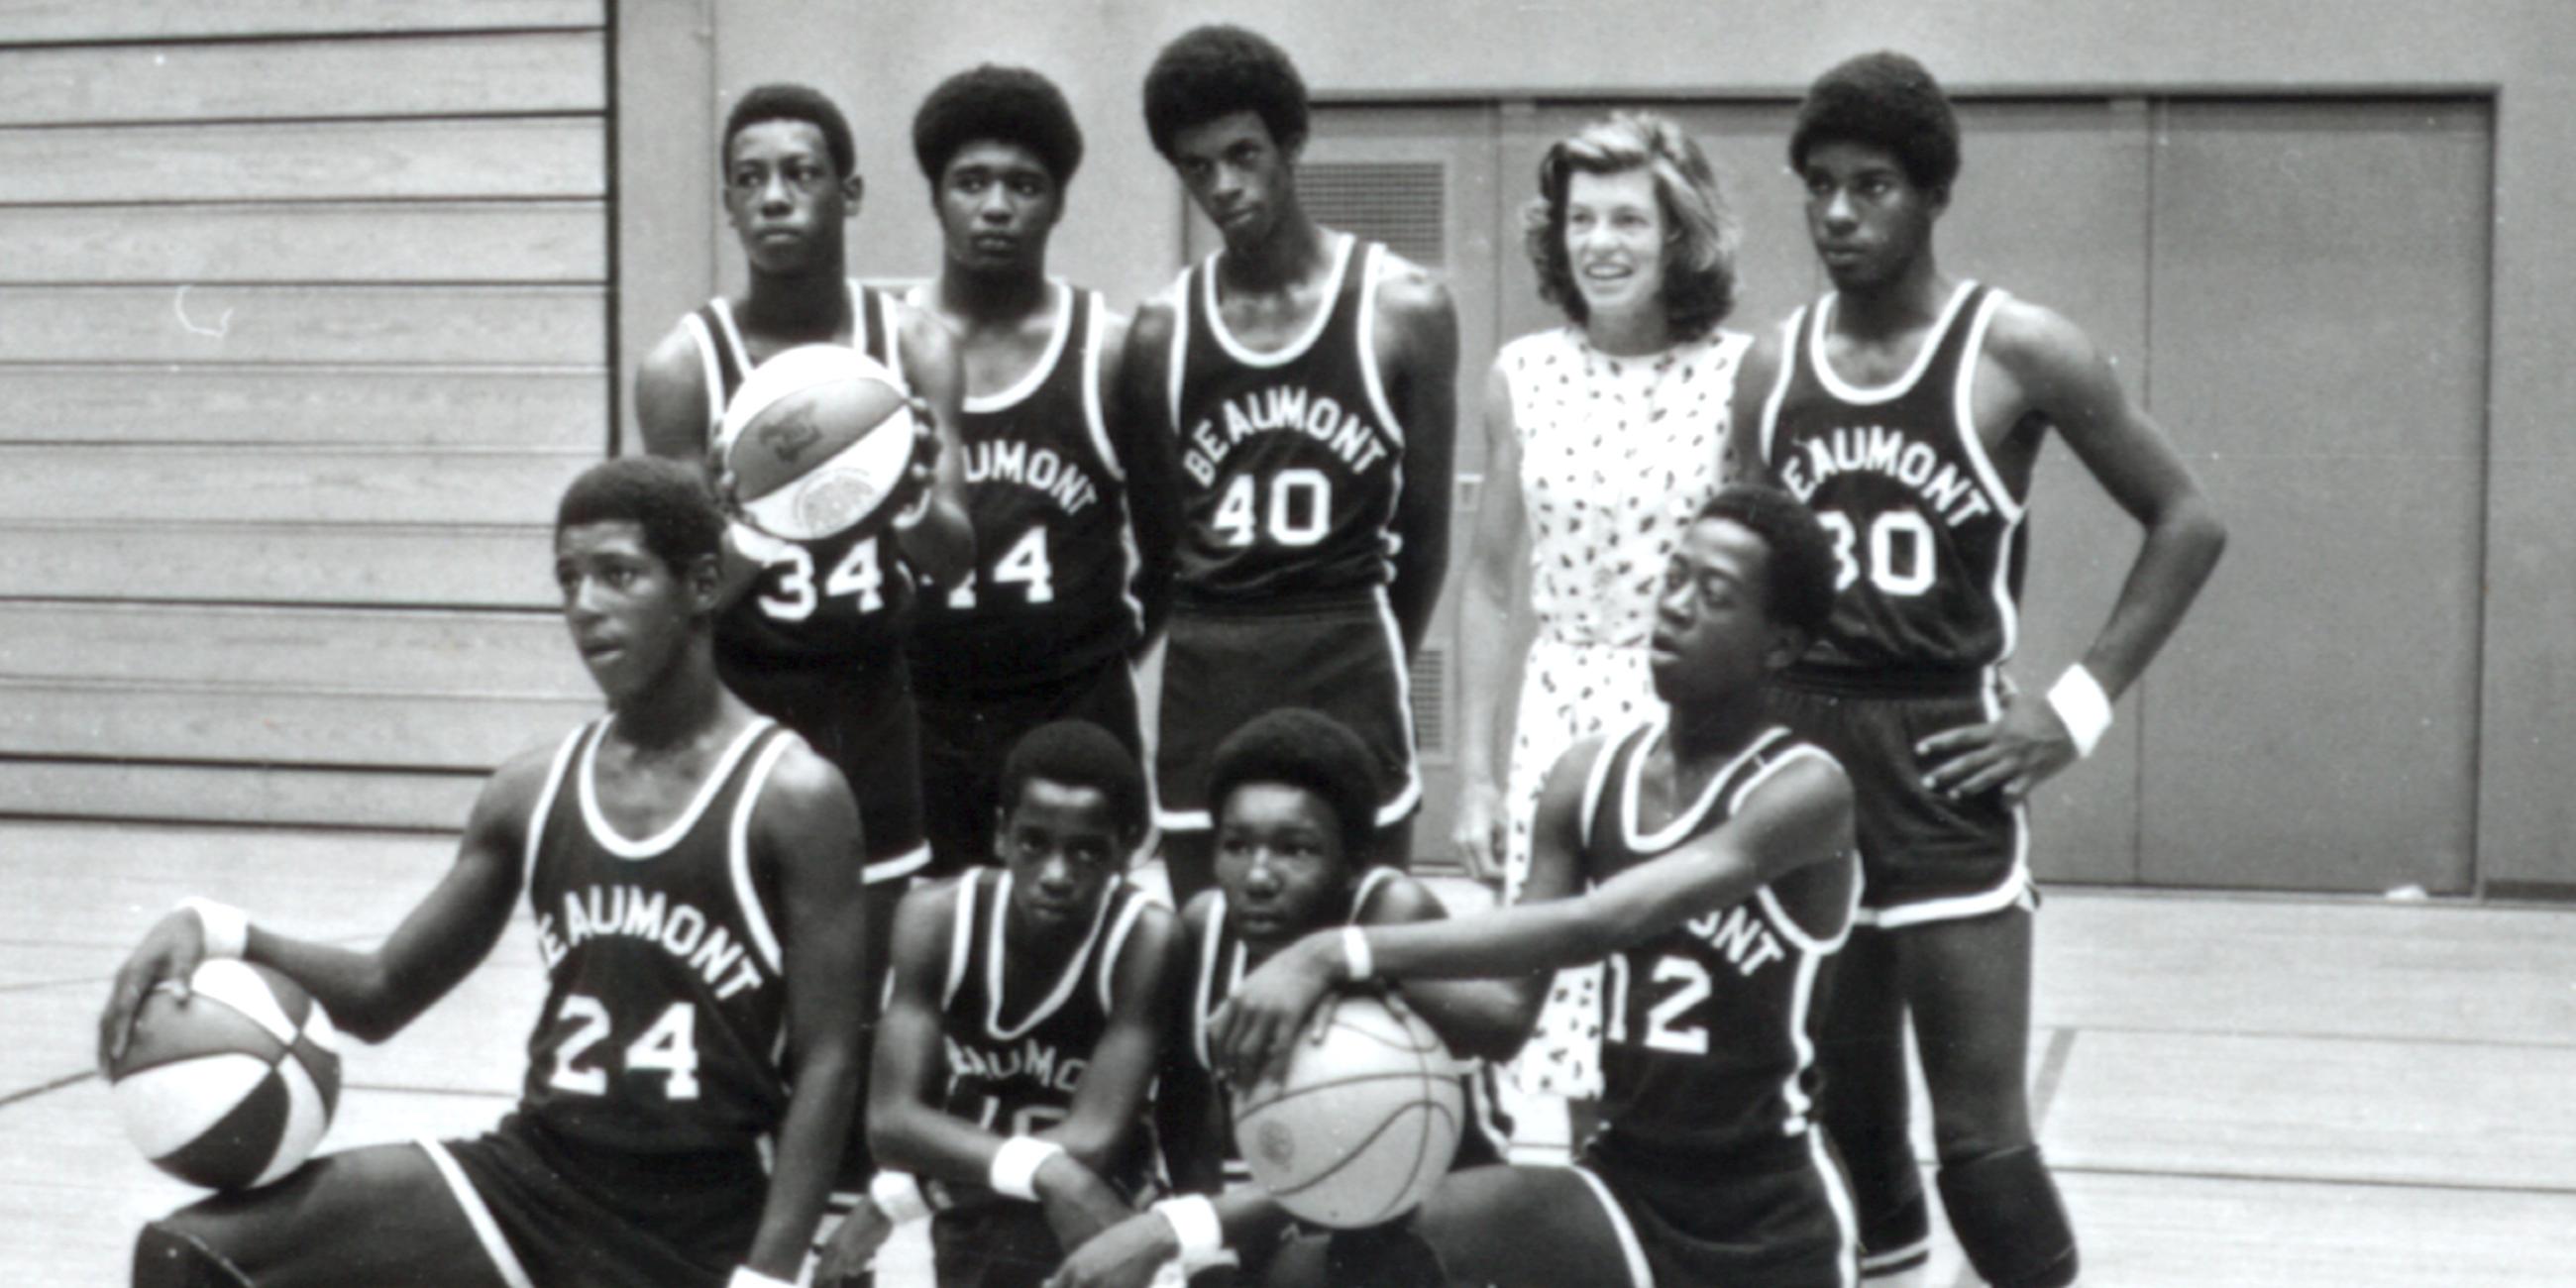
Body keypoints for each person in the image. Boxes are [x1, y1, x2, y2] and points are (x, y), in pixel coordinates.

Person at [103, 457, 869, 1288]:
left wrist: (772, 1273)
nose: (585, 606)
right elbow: (381, 991)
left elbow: (830, 1058)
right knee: (188, 1254)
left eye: (619, 575)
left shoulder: (794, 796)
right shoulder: (529, 792)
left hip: (704, 1221)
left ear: (703, 584)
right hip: (534, 1182)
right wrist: (215, 928)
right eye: (568, 579)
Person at [1727, 53, 2227, 1287]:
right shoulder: (1768, 367)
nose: (1839, 214)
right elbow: (1745, 568)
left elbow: (2186, 521)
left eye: (1873, 186)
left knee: (1980, 1144)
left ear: (1933, 194)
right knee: (1845, 1117)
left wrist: (2070, 708)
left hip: (1942, 759)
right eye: (1819, 186)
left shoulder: (2017, 348)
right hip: (1799, 757)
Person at [1201, 485, 1862, 1288]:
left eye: (1714, 594)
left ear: (1781, 645)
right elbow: (1508, 1014)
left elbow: (1598, 924)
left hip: (1766, 1217)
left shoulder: (1804, 791)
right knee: (1325, 1268)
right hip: (1621, 1186)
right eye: (1674, 577)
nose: (1677, 607)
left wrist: (1334, 952)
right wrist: (1309, 960)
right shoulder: (1589, 775)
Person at [1448, 108, 1755, 1157]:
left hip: (1693, 720)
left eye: (1629, 217)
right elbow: (1489, 585)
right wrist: (1481, 776)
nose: (1601, 242)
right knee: (1567, 1031)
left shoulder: (1739, 374)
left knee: (1685, 1009)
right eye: (1582, 218)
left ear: (1679, 235)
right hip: (1562, 718)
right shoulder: (1521, 375)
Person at [1123, 25, 1460, 908]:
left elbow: (1424, 539)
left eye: (1244, 155)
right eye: (1197, 168)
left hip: (1343, 645)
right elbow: (1161, 543)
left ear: (1292, 143)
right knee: (1211, 947)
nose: (1225, 186)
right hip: (1212, 658)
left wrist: (1377, 649)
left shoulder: (1404, 308)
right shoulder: (1162, 332)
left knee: (1369, 943)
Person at [633, 79, 973, 907]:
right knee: (744, 961)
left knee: (872, 969)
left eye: (800, 174)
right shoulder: (683, 368)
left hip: (873, 695)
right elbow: (683, 602)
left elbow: (956, 558)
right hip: (740, 696)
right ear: (728, 205)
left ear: (848, 192)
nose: (774, 198)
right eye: (750, 180)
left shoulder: (916, 345)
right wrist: (760, 516)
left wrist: (904, 502)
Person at [1042, 708, 1518, 1288]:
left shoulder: (1391, 916)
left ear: (1355, 861)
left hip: (1436, 1208)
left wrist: (1188, 1227)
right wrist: (1210, 1258)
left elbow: (1405, 1161)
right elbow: (1187, 1112)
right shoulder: (1203, 928)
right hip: (1288, 1204)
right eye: (1237, 846)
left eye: (1296, 850)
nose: (1259, 876)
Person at [901, 65, 1180, 880]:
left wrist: (1104, 662)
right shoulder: (884, 347)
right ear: (936, 197)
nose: (995, 206)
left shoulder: (1111, 347)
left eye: (1024, 185)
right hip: (920, 703)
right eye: (971, 183)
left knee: (1072, 950)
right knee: (926, 946)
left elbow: (1167, 548)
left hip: (1068, 703)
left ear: (1058, 202)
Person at [813, 720, 1182, 1288]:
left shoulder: (1144, 939)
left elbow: (1093, 1138)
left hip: (1096, 1200)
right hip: (980, 1213)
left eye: (1087, 852)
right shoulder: (934, 920)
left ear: (1126, 855)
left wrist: (899, 1199)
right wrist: (1042, 1170)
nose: (1056, 875)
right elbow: (889, 1123)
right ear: (1001, 835)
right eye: (1035, 843)